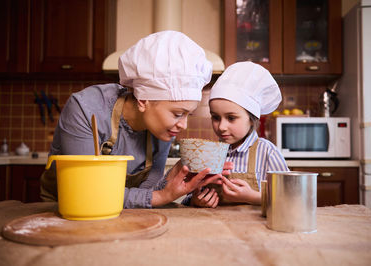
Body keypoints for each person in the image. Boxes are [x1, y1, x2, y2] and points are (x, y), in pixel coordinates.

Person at [40, 31, 232, 208]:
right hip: (67, 210)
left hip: (121, 213)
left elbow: (147, 191)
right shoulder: (85, 108)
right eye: (177, 114)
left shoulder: (160, 130)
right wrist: (163, 196)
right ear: (143, 100)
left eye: (188, 114)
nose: (183, 125)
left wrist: (176, 175)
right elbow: (86, 190)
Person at [190, 61, 289, 207]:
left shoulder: (267, 152)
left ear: (251, 119)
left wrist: (254, 197)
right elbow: (188, 199)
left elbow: (289, 199)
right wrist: (196, 200)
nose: (222, 127)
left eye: (231, 118)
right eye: (216, 117)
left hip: (255, 229)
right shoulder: (210, 154)